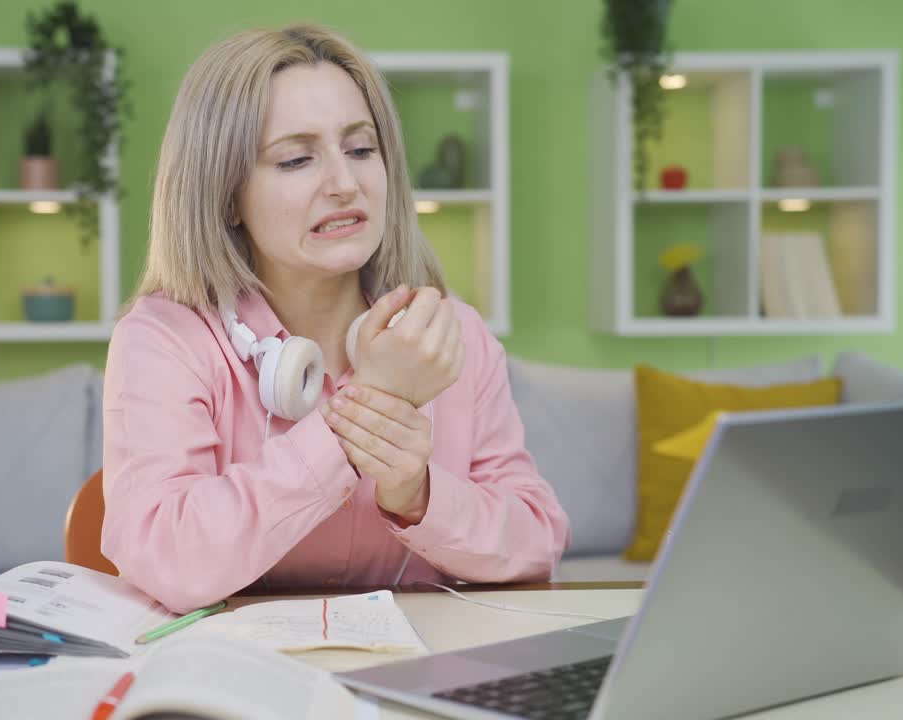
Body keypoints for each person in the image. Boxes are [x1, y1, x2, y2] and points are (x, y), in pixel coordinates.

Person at [101, 23, 568, 613]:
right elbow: (165, 557)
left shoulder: (454, 335)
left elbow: (538, 538)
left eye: (360, 149)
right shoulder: (165, 340)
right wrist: (366, 410)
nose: (345, 184)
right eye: (296, 159)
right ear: (225, 196)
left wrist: (418, 496)